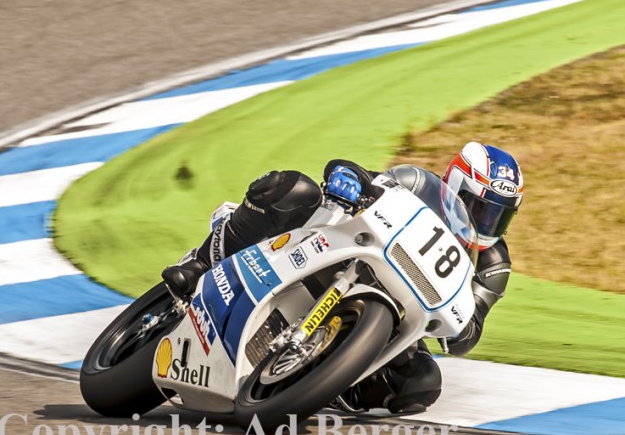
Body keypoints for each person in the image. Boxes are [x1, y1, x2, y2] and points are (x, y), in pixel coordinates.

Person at [161, 142, 524, 414]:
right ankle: (201, 263)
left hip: (396, 311)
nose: (485, 224)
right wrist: (348, 179)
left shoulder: (493, 262)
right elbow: (358, 176)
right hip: (340, 251)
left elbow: (467, 335)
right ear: (455, 184)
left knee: (421, 384)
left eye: (499, 216)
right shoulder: (418, 184)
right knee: (293, 189)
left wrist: (456, 324)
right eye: (480, 209)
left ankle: (325, 380)